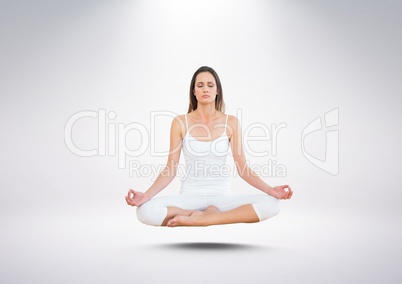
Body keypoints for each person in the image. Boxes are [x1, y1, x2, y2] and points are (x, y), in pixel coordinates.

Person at [125, 66, 293, 227]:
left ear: (217, 90)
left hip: (222, 197)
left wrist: (270, 190)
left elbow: (243, 168)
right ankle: (204, 215)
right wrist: (146, 195)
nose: (205, 89)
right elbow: (170, 169)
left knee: (273, 204)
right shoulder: (180, 122)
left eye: (210, 85)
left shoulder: (231, 122)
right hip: (190, 197)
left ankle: (201, 220)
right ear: (194, 91)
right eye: (200, 85)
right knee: (145, 211)